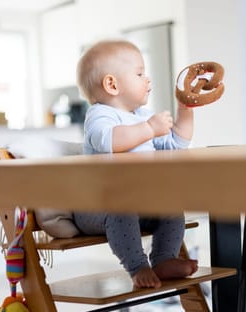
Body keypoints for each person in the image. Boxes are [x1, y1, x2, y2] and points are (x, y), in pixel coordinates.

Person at [73, 39, 198, 288]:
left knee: (172, 208)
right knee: (122, 208)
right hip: (97, 207)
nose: (147, 79)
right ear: (112, 84)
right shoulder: (100, 115)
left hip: (139, 203)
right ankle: (137, 266)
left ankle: (164, 259)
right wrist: (150, 128)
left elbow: (176, 144)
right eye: (140, 73)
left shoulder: (141, 117)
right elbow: (109, 141)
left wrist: (186, 109)